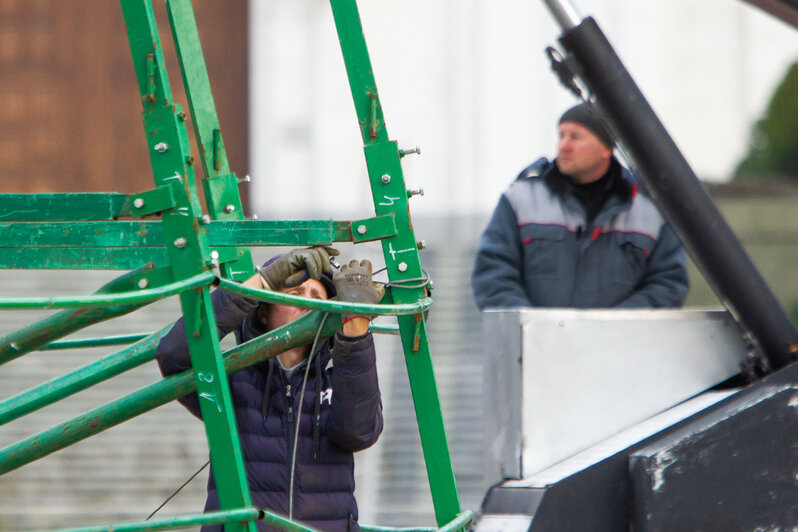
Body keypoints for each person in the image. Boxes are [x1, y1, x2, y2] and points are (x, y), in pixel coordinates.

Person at [156, 246, 384, 532]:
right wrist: (262, 282)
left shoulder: (339, 381)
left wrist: (355, 323)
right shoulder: (233, 379)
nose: (307, 304)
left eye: (317, 298)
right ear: (263, 312)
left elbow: (359, 431)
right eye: (294, 295)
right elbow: (174, 356)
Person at [472, 102, 689, 310]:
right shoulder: (520, 200)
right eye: (561, 135)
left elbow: (668, 284)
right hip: (536, 345)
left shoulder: (650, 211)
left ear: (606, 148)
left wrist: (611, 329)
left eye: (575, 137)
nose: (563, 146)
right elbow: (493, 276)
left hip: (618, 346)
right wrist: (533, 330)